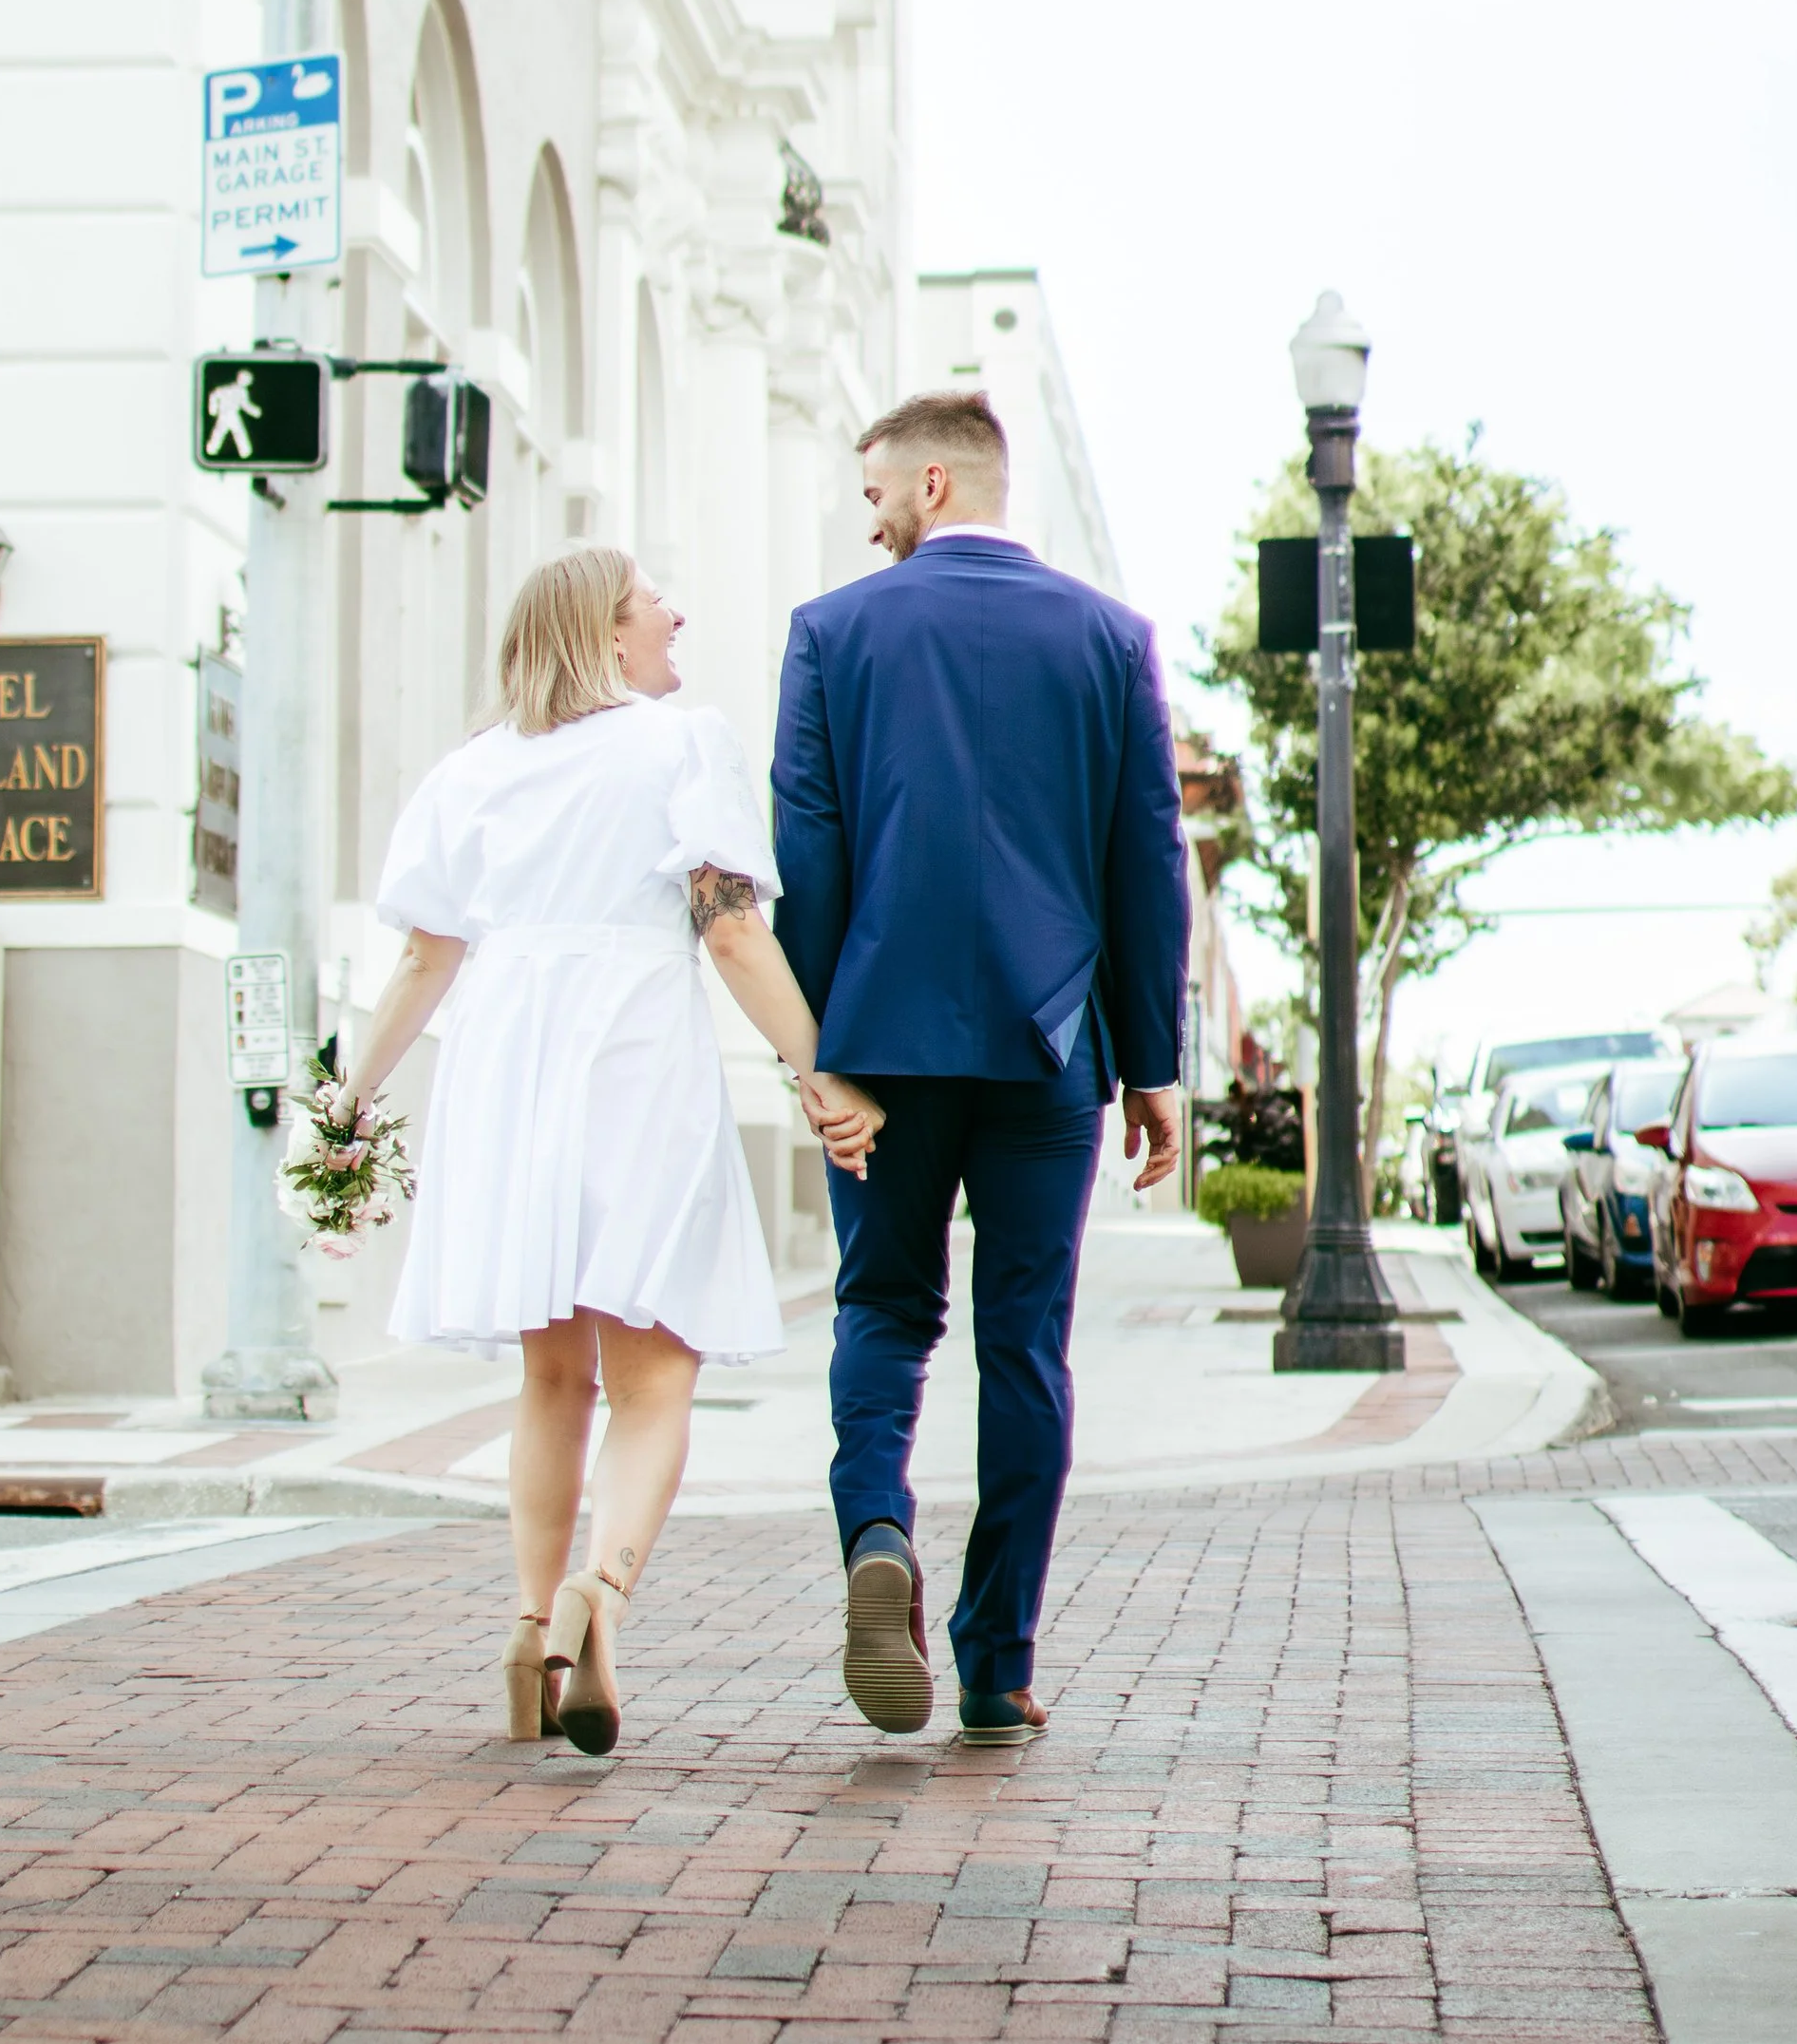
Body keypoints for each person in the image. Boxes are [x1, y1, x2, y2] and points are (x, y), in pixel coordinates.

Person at [341, 545, 879, 1757]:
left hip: (505, 1070)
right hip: (632, 1055)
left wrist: (349, 1098)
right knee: (652, 1377)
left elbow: (426, 960)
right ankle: (603, 1593)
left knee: (550, 1377)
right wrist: (815, 1069)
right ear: (604, 630)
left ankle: (529, 1629)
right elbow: (732, 931)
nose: (676, 614)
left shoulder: (468, 774)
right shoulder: (676, 743)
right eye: (654, 602)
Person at [772, 390, 1191, 1740]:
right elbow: (1145, 862)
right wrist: (1153, 1063)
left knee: (883, 1312)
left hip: (881, 1049)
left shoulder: (832, 634)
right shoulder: (1109, 639)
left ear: (939, 481)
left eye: (880, 490)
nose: (872, 514)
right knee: (1026, 1346)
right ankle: (997, 1662)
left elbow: (811, 862)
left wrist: (824, 1054)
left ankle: (877, 1530)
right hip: (1046, 1044)